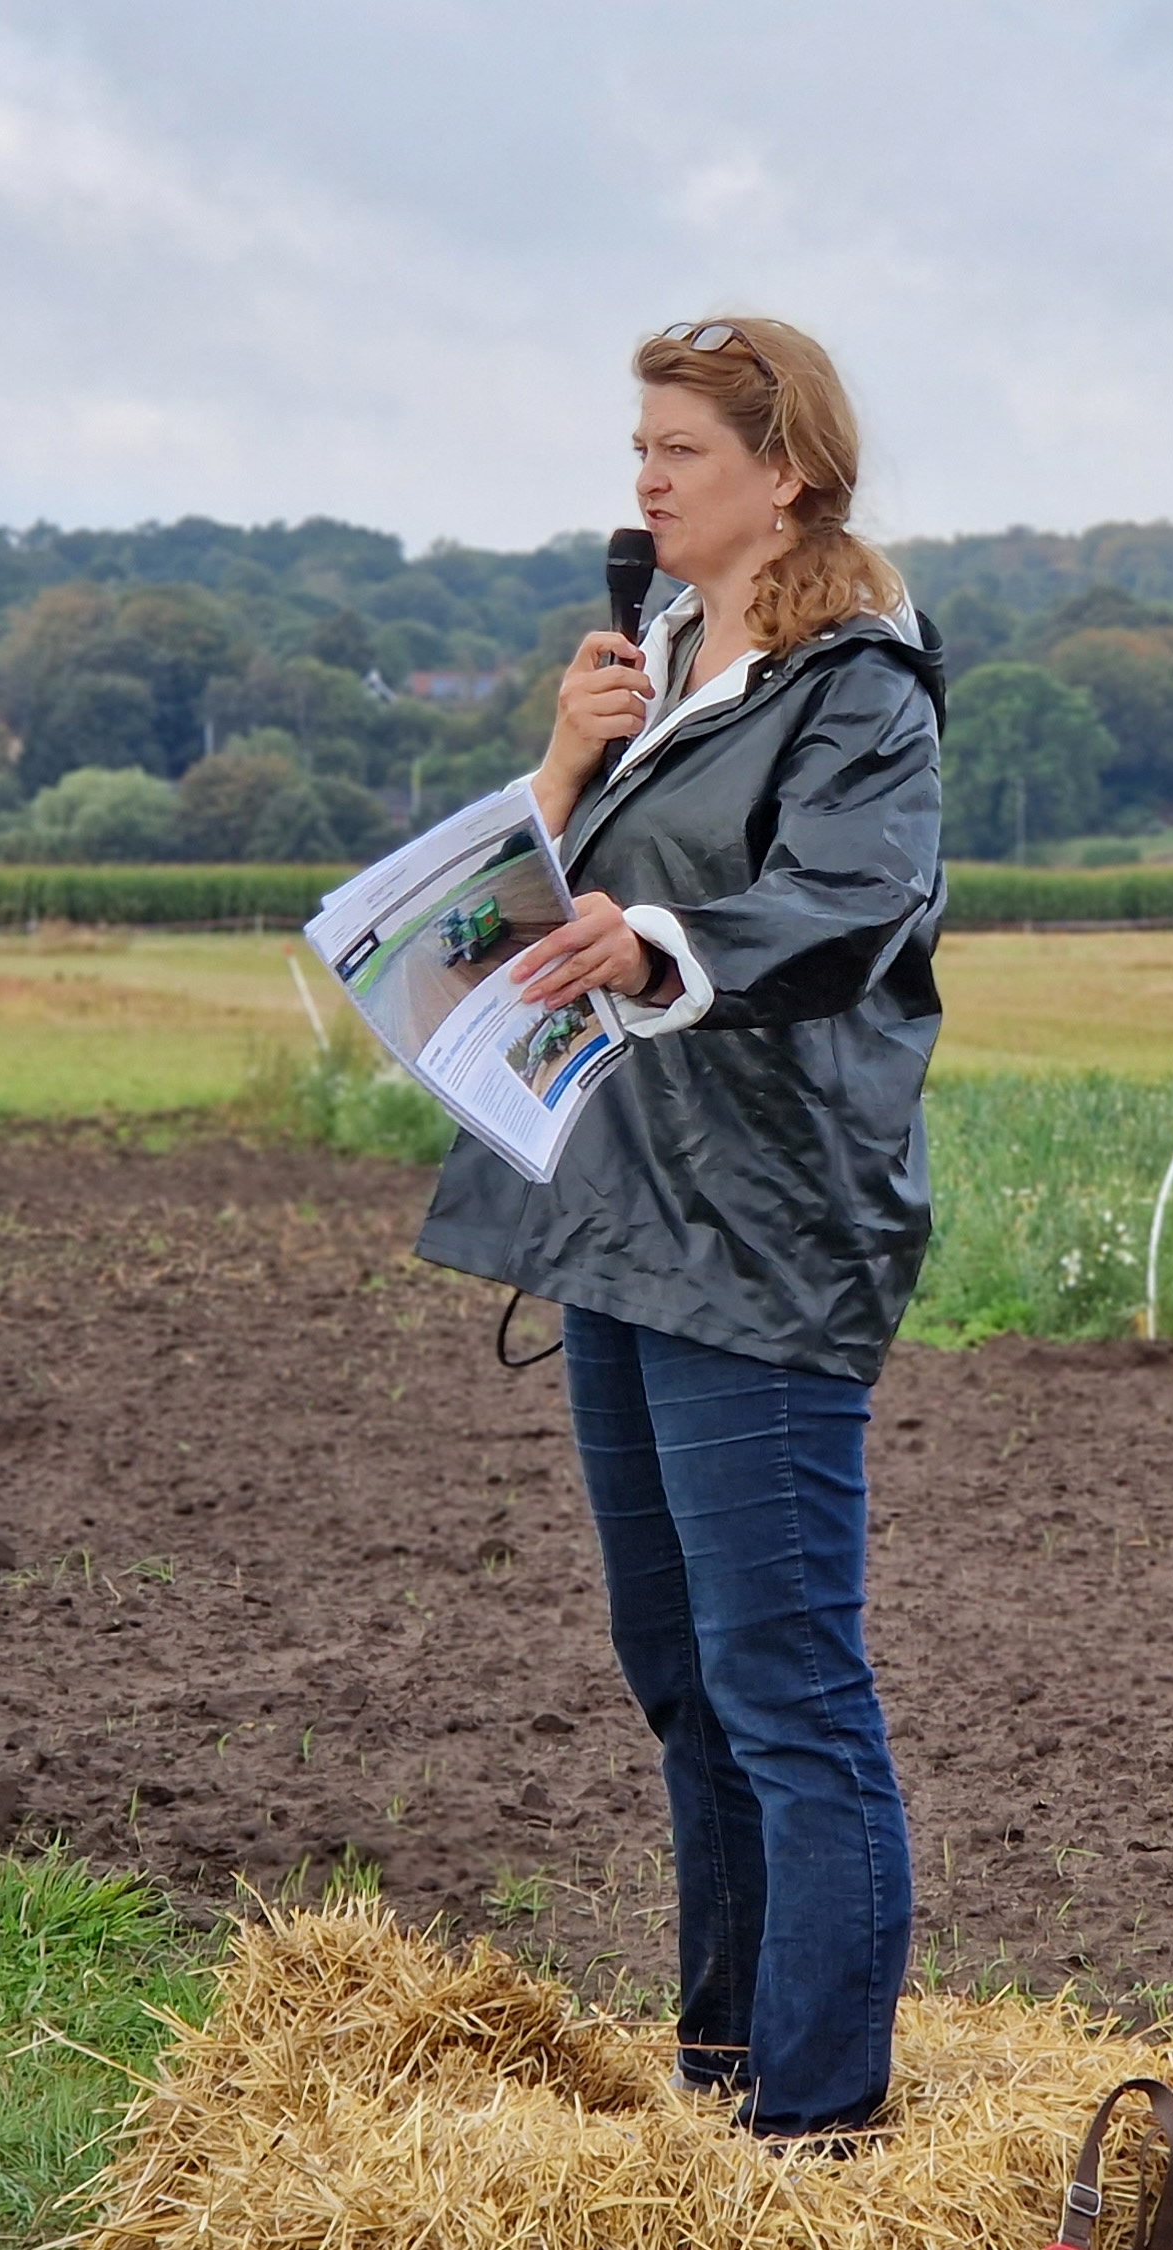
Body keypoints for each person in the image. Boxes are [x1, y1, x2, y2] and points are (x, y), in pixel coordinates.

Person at [417, 313, 945, 2142]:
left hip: (767, 1233)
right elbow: (526, 907)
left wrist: (663, 943)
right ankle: (720, 2085)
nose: (643, 481)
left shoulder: (860, 685)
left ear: (783, 469)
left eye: (680, 454)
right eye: (637, 449)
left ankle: (819, 2129)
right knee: (683, 1675)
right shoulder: (644, 654)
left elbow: (850, 904)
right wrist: (560, 767)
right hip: (620, 1212)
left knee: (788, 1685)